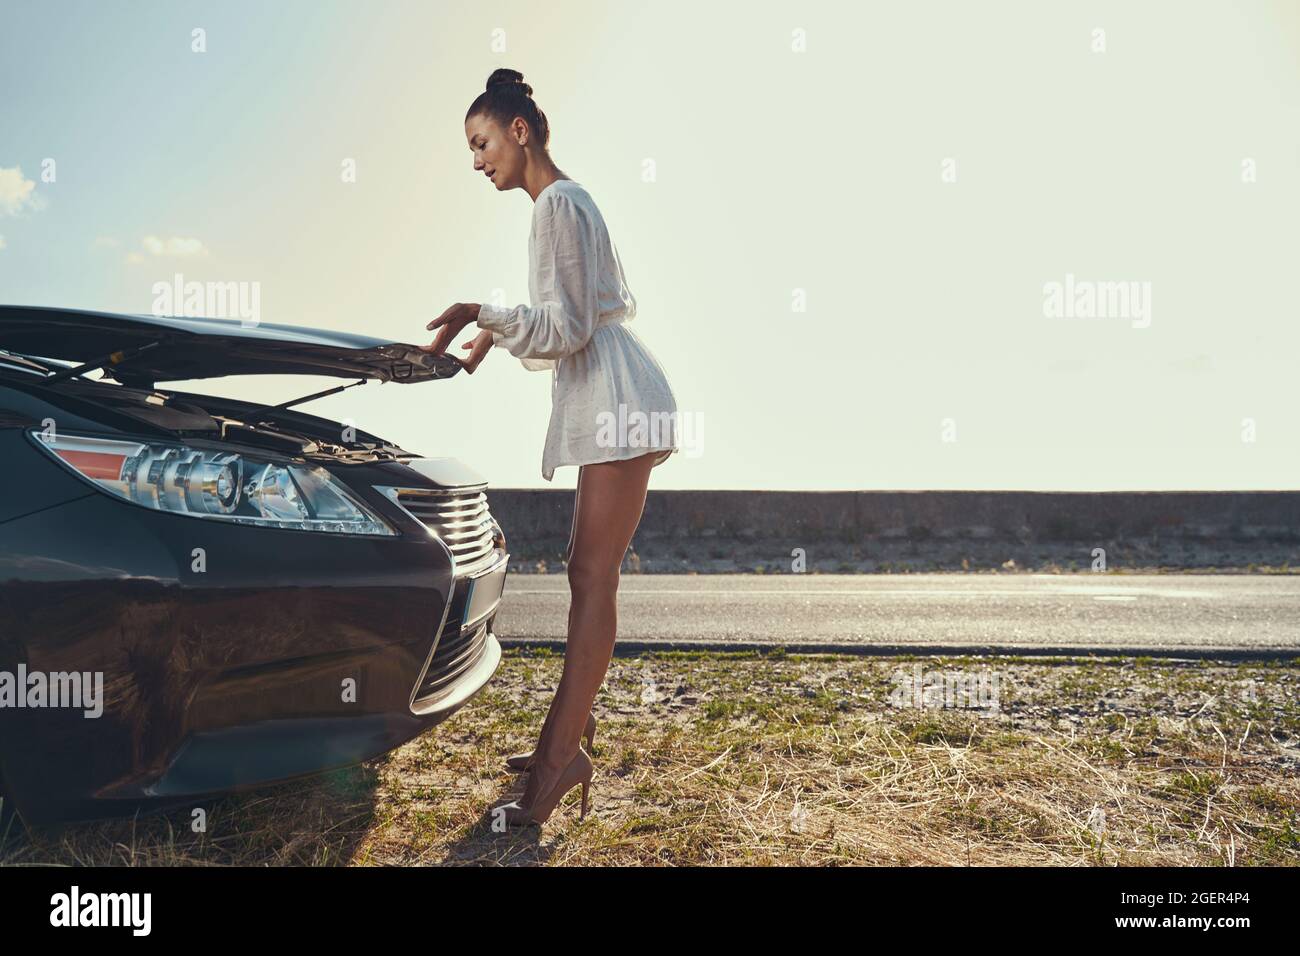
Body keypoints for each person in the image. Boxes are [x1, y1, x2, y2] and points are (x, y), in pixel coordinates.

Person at [422, 68, 680, 826]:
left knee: (593, 576)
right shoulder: (564, 201)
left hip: (618, 401)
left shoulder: (557, 204)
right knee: (587, 573)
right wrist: (489, 333)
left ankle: (563, 754)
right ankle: (564, 738)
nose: (477, 161)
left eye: (481, 143)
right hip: (614, 394)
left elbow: (564, 328)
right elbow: (558, 319)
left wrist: (486, 312)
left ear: (519, 130)